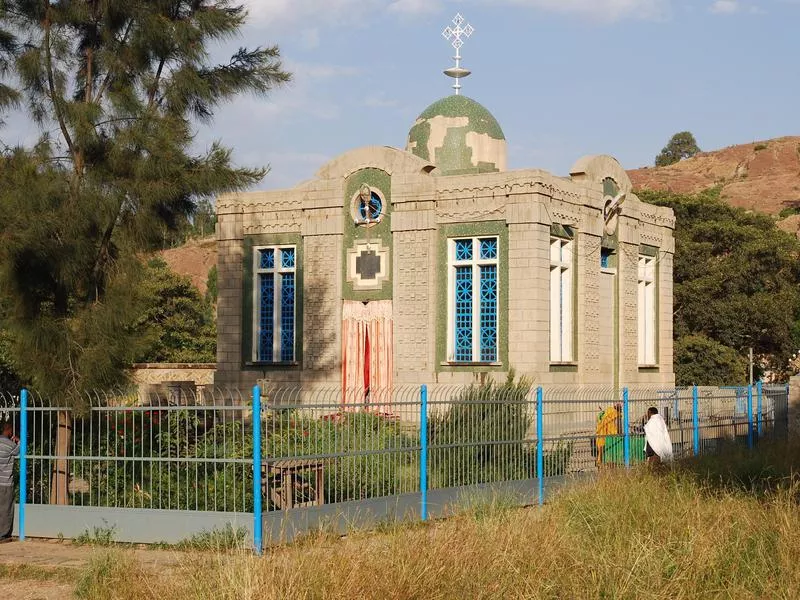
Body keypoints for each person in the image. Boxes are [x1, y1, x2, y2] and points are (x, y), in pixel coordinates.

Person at [0, 420, 19, 542]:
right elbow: (20, 450)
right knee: (6, 508)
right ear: (8, 430)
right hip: (5, 482)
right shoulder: (9, 445)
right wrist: (18, 440)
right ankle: (3, 535)